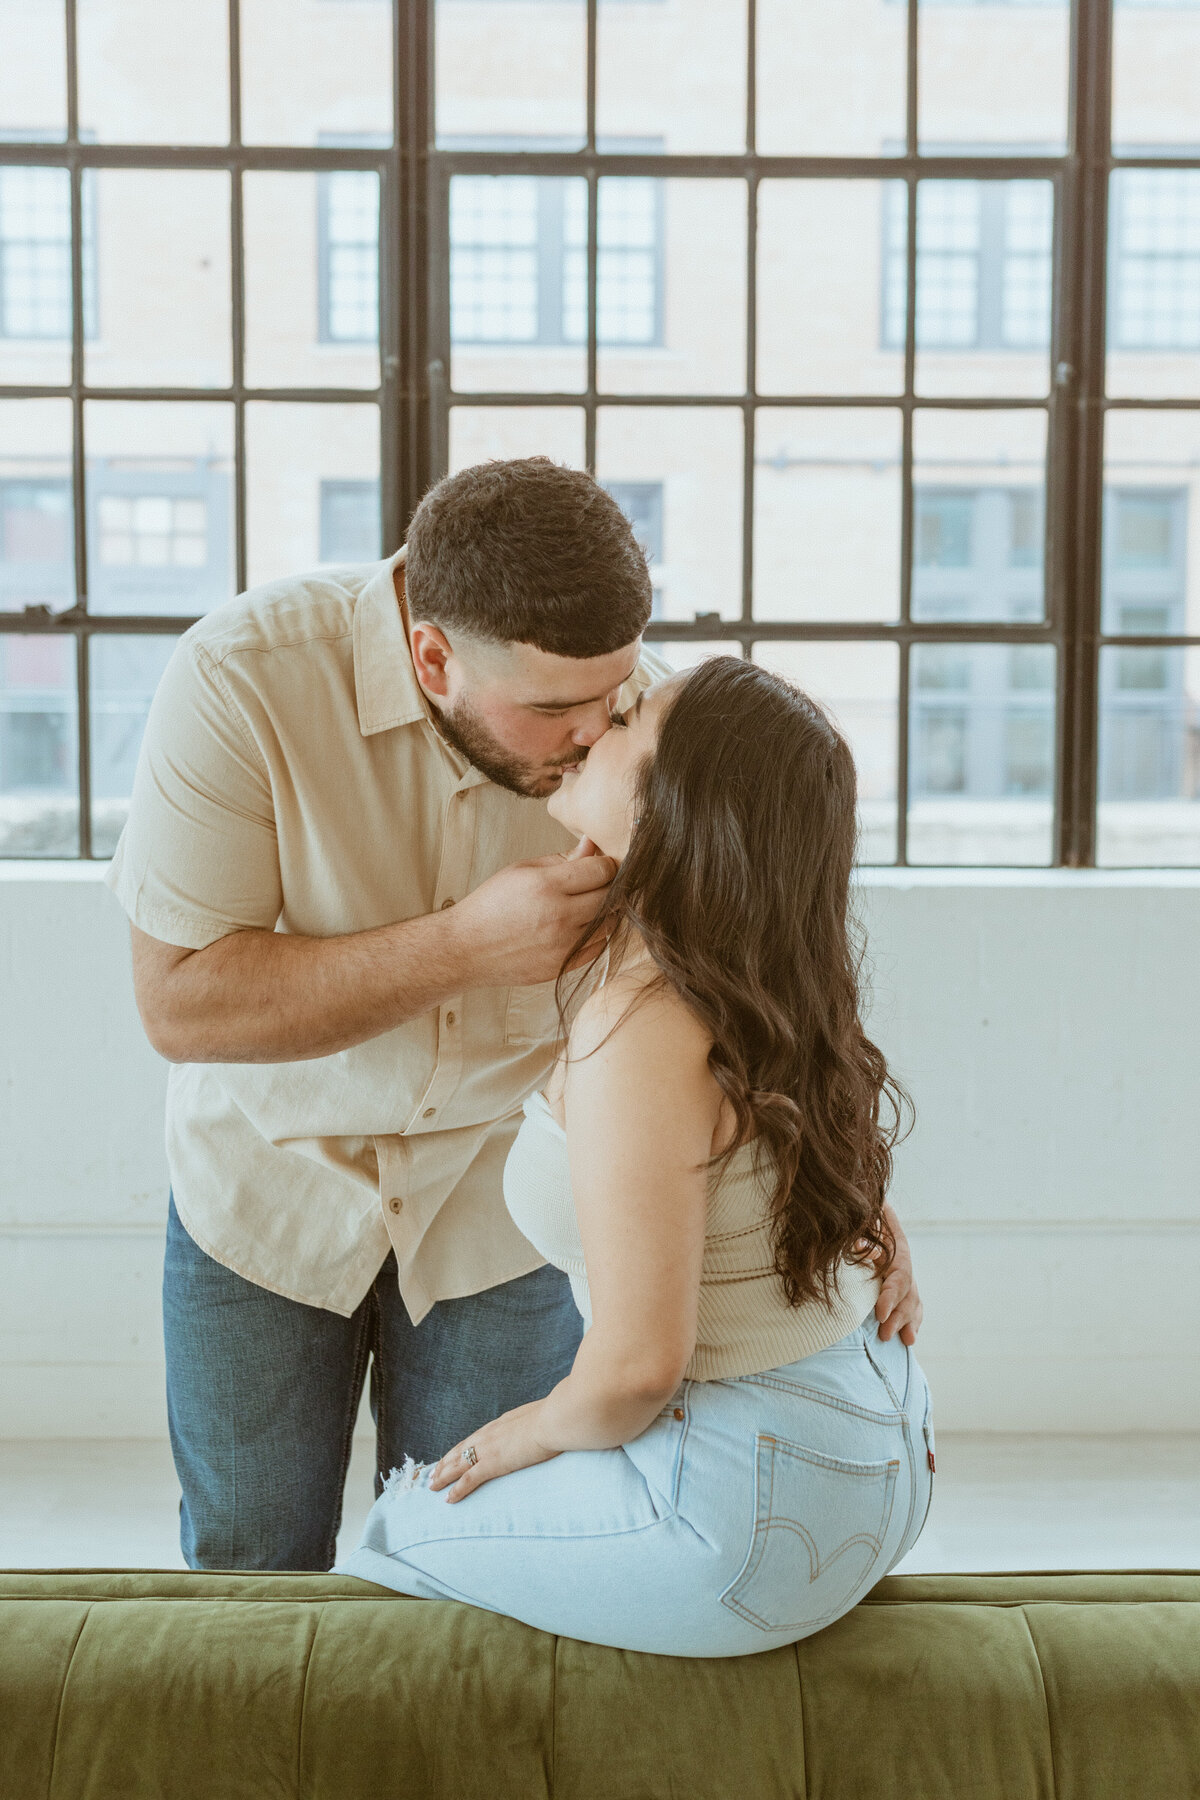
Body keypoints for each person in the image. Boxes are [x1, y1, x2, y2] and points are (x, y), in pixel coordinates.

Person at [107, 455, 922, 1573]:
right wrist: (461, 949)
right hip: (266, 1195)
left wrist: (844, 1194)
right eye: (554, 711)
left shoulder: (642, 737)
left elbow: (760, 972)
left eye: (617, 698)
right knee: (251, 1560)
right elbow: (179, 1004)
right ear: (433, 657)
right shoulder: (240, 679)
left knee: (471, 1584)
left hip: (507, 1220)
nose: (595, 732)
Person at [337, 656, 933, 1656]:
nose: (590, 729)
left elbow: (637, 1369)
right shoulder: (755, 966)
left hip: (755, 1509)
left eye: (627, 723)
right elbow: (766, 1174)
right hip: (881, 1455)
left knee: (396, 1534)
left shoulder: (646, 1022)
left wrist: (505, 1440)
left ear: (677, 809)